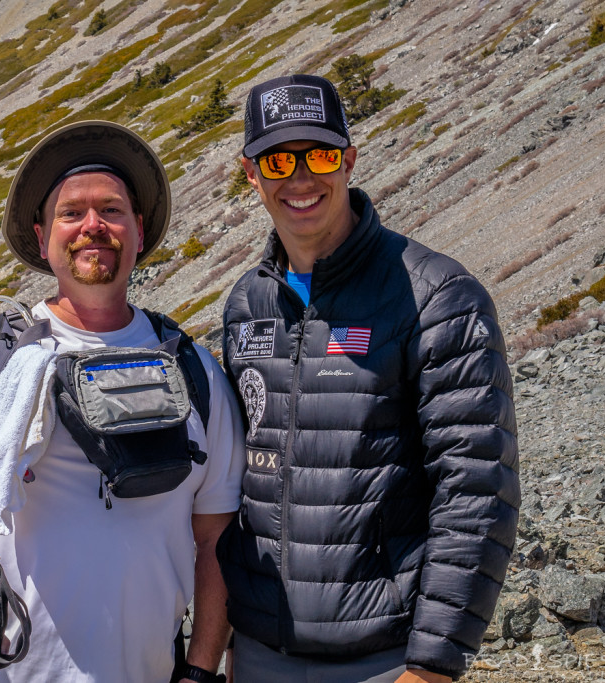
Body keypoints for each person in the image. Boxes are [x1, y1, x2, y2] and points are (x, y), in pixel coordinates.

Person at [0, 120, 244, 683]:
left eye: (111, 210)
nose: (92, 226)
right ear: (42, 233)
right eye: (71, 213)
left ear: (139, 229)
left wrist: (199, 671)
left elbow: (217, 536)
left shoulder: (194, 370)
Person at [219, 74, 520, 682]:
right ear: (252, 174)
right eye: (278, 160)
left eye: (321, 155)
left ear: (350, 160)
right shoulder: (246, 304)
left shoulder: (437, 296)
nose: (301, 179)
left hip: (384, 657)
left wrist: (433, 663)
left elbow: (476, 490)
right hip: (259, 652)